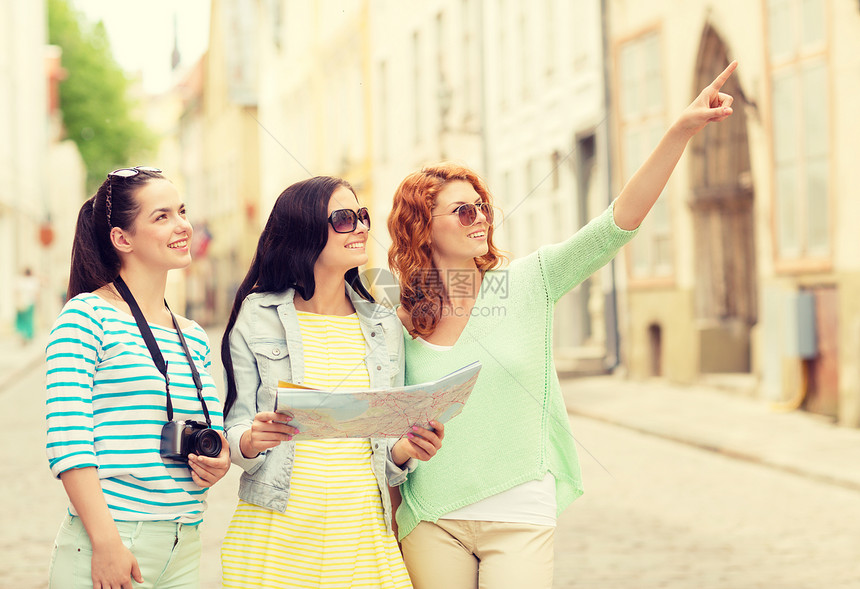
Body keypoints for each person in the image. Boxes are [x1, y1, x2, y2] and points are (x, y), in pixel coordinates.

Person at [386, 62, 740, 588]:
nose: (481, 217)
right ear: (422, 228)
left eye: (482, 206)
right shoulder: (399, 320)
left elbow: (618, 223)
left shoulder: (532, 281)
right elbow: (385, 427)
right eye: (463, 211)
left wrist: (679, 130)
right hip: (432, 516)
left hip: (520, 510)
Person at [219, 176, 444, 588]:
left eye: (362, 216)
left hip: (361, 535)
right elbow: (235, 427)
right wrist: (253, 439)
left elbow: (385, 447)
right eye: (343, 218)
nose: (360, 227)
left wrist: (407, 448)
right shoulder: (257, 314)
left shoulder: (383, 325)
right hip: (277, 532)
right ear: (304, 229)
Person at [45, 166, 231, 589]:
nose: (182, 225)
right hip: (115, 540)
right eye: (161, 216)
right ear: (122, 239)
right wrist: (106, 543)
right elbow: (68, 440)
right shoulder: (85, 317)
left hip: (184, 543)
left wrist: (217, 460)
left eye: (181, 211)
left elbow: (212, 432)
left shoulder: (193, 335)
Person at [14, 267, 40, 343]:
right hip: (30, 303)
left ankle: (22, 334)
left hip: (22, 303)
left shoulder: (20, 280)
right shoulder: (33, 281)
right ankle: (28, 334)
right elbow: (36, 294)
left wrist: (17, 302)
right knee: (29, 320)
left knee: (21, 320)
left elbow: (17, 292)